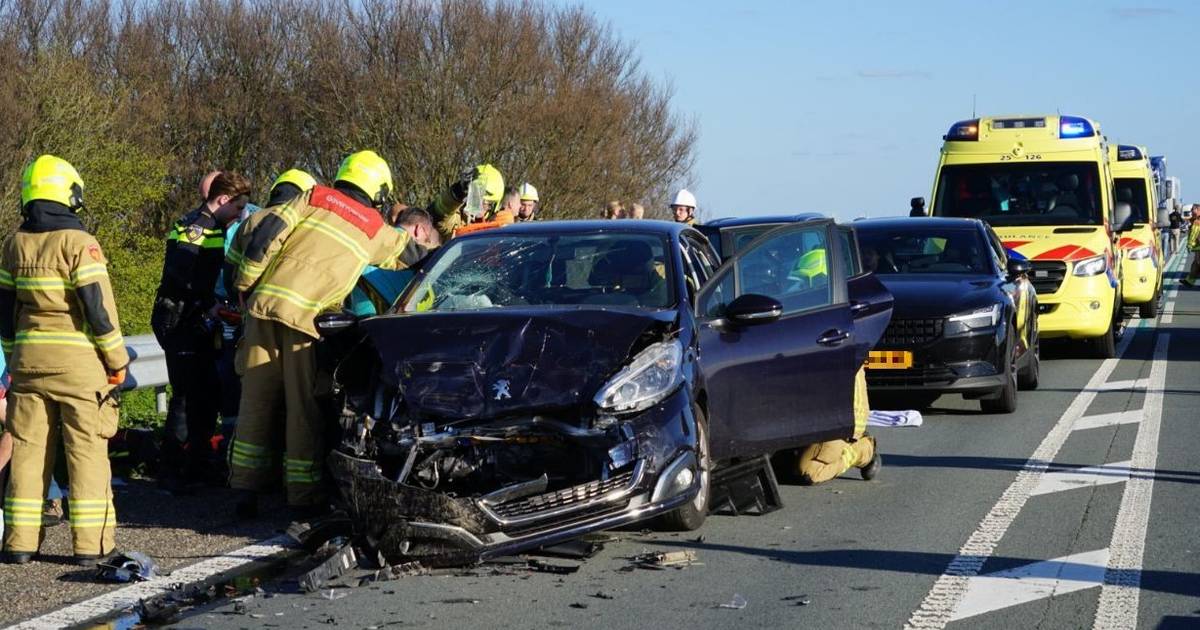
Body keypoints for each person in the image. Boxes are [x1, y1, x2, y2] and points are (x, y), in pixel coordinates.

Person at [226, 151, 437, 518]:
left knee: (256, 403)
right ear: (378, 190)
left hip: (262, 311)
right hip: (305, 322)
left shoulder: (312, 197)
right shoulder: (374, 228)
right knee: (302, 409)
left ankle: (244, 492)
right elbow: (415, 254)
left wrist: (244, 282)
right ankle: (302, 498)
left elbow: (263, 232)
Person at [1, 155, 128, 565]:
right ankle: (92, 547)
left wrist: (12, 357)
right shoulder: (79, 243)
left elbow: (4, 313)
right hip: (78, 365)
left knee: (26, 449)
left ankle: (19, 543)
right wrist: (116, 361)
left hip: (26, 361)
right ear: (69, 194)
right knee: (86, 452)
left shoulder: (13, 243)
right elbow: (98, 309)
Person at [151, 171, 252, 492]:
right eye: (238, 208)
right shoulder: (196, 228)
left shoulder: (214, 226)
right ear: (222, 201)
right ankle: (171, 469)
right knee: (186, 396)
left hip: (194, 318)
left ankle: (197, 463)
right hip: (179, 320)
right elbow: (180, 275)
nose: (241, 215)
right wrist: (208, 304)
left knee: (206, 394)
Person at [347, 207, 443, 317]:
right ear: (419, 230)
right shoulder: (417, 263)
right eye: (427, 240)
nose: (425, 246)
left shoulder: (369, 243)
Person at [796, 366, 881, 484]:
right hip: (801, 418)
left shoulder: (843, 355)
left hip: (838, 424)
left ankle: (861, 451)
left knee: (809, 472)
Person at [427, 163, 506, 240]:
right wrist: (457, 192)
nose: (478, 204)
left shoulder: (496, 232)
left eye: (485, 202)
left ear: (493, 207)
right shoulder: (456, 220)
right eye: (474, 197)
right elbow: (439, 212)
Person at [1181, 212, 1200, 287]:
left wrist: (1190, 244)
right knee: (1196, 263)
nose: (1192, 211)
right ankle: (1189, 281)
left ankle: (1190, 281)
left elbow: (1194, 233)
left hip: (1198, 245)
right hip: (1198, 246)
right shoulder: (1195, 220)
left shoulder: (1197, 221)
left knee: (1197, 263)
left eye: (1193, 209)